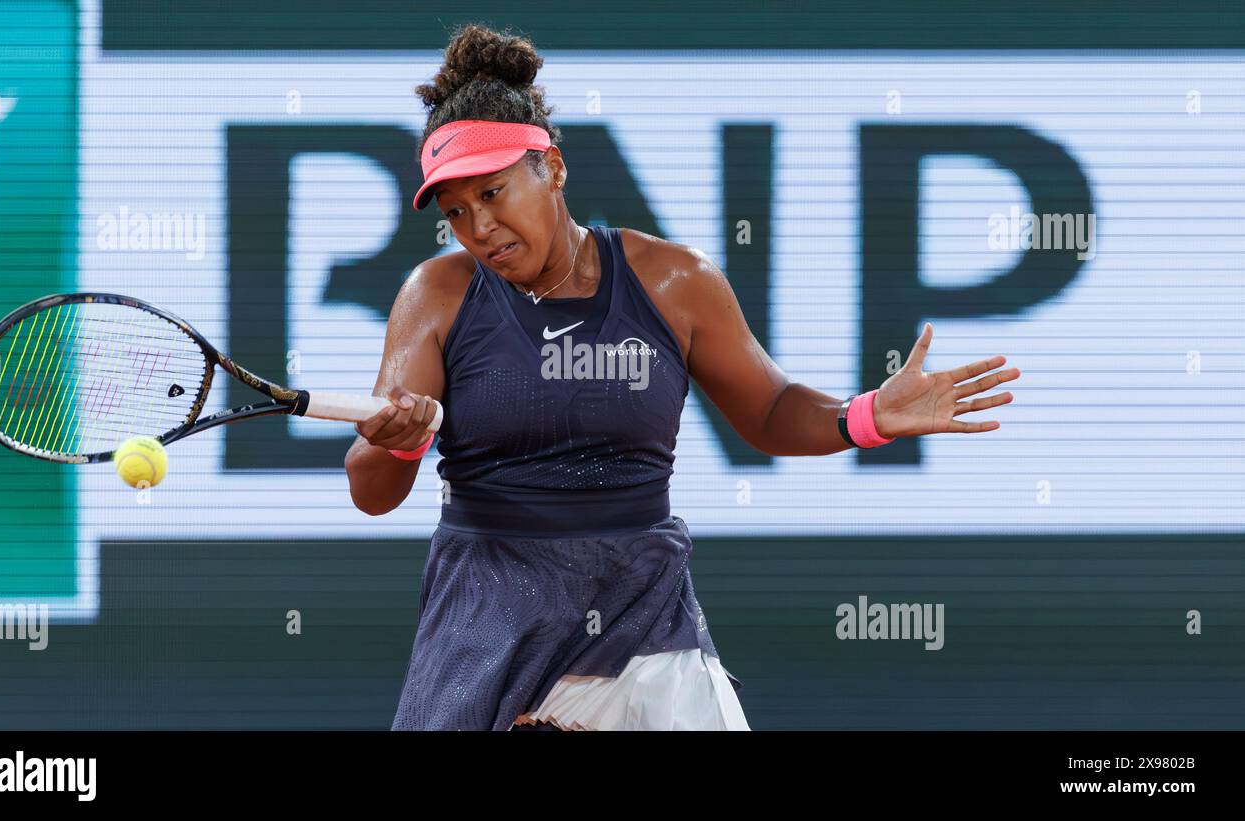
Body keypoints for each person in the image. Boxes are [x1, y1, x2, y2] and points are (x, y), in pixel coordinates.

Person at [344, 24, 1020, 731]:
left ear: (554, 170)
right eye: (456, 211)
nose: (479, 226)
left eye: (494, 191)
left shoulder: (675, 281)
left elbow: (769, 407)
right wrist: (400, 442)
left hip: (643, 621)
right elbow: (371, 488)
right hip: (486, 625)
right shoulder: (436, 295)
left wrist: (867, 416)